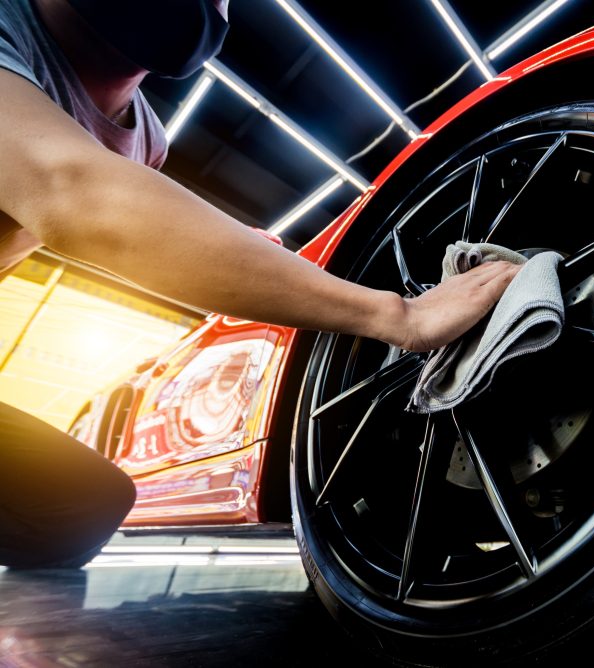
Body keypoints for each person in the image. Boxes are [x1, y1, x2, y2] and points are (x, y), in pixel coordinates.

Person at [0, 0, 519, 568]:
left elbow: (119, 217)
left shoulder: (145, 138)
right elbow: (72, 190)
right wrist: (398, 315)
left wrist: (242, 250)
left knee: (82, 505)